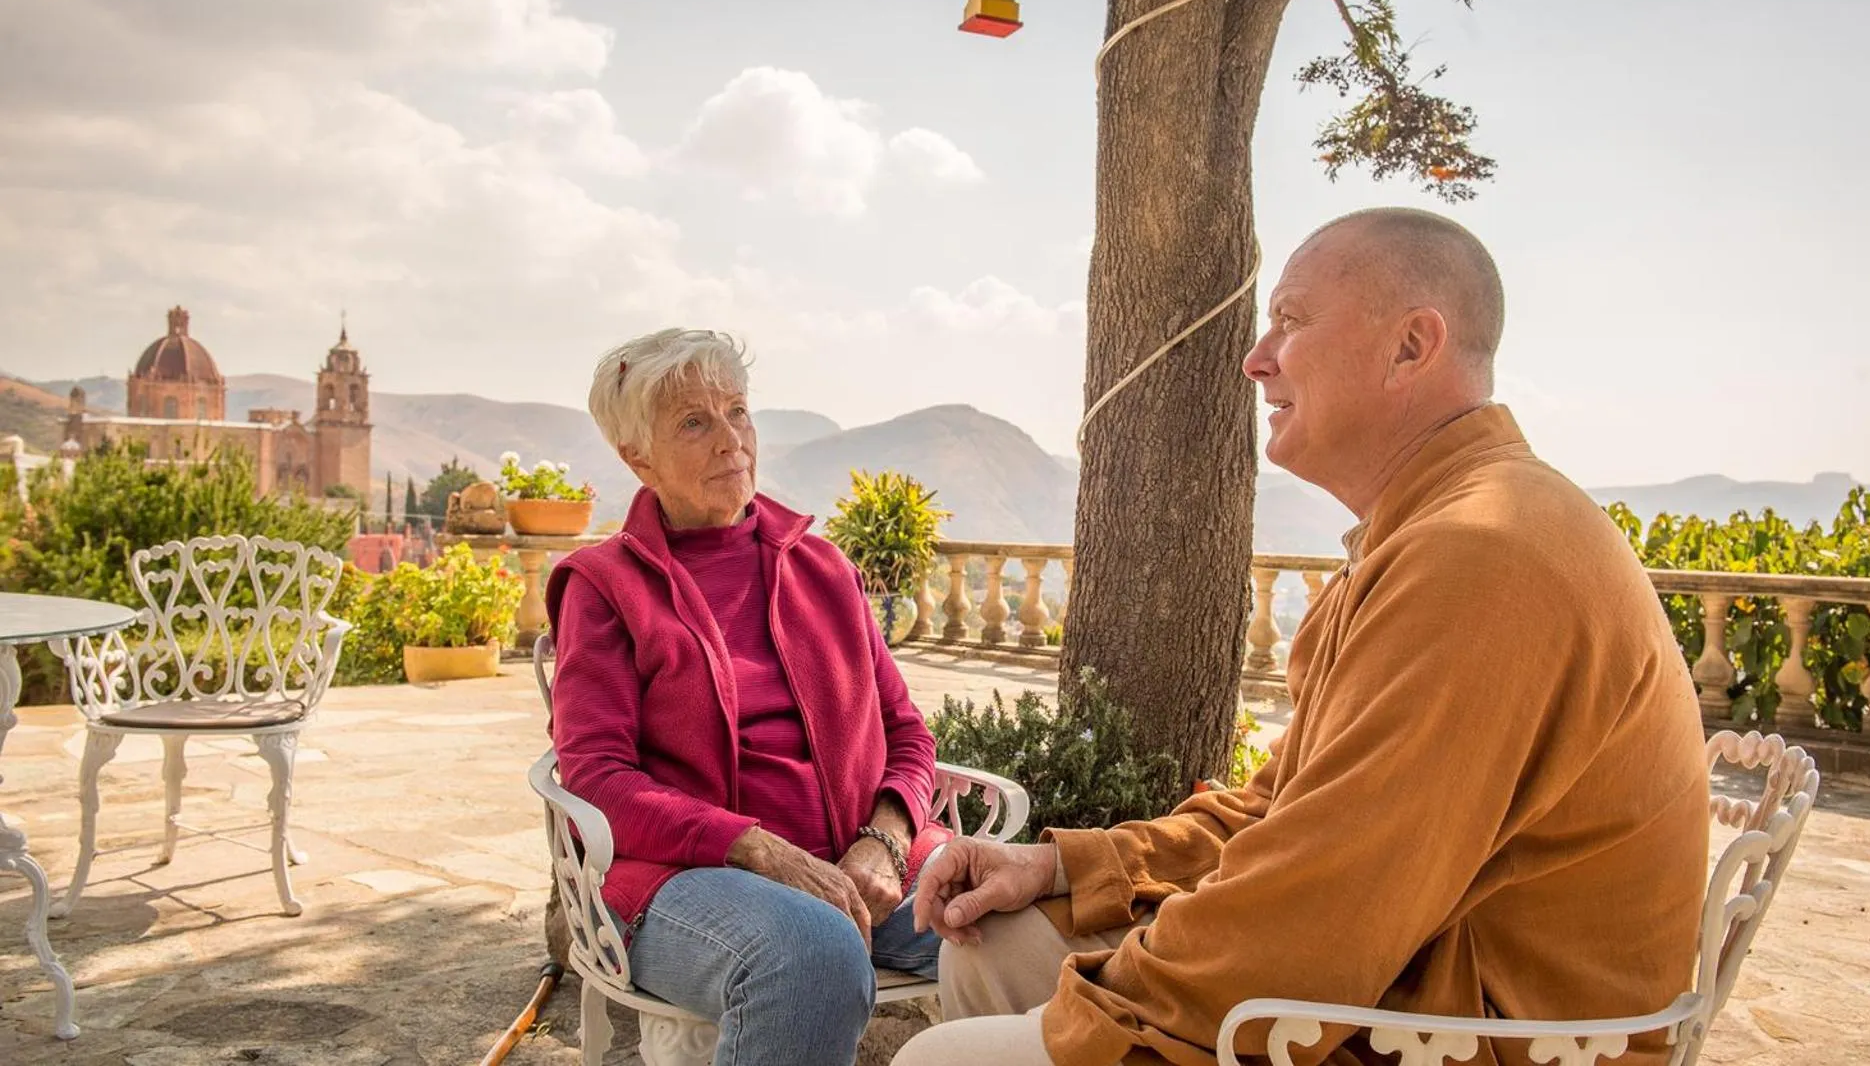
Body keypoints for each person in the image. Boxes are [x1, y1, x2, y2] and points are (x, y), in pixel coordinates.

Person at [893, 208, 1710, 1066]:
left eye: (1291, 319)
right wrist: (1061, 869)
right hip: (1411, 972)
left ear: (1411, 346)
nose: (1255, 357)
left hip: (1482, 1033)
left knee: (937, 1060)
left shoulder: (1479, 556)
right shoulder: (1439, 528)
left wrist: (1099, 1016)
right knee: (1000, 937)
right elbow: (1277, 812)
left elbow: (1326, 900)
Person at [546, 328, 952, 1066]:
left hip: (859, 864)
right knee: (811, 953)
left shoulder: (824, 567)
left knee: (1025, 911)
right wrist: (757, 848)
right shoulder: (602, 585)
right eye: (694, 423)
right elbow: (597, 777)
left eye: (737, 411)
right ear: (638, 458)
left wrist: (884, 840)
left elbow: (906, 734)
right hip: (681, 880)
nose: (731, 440)